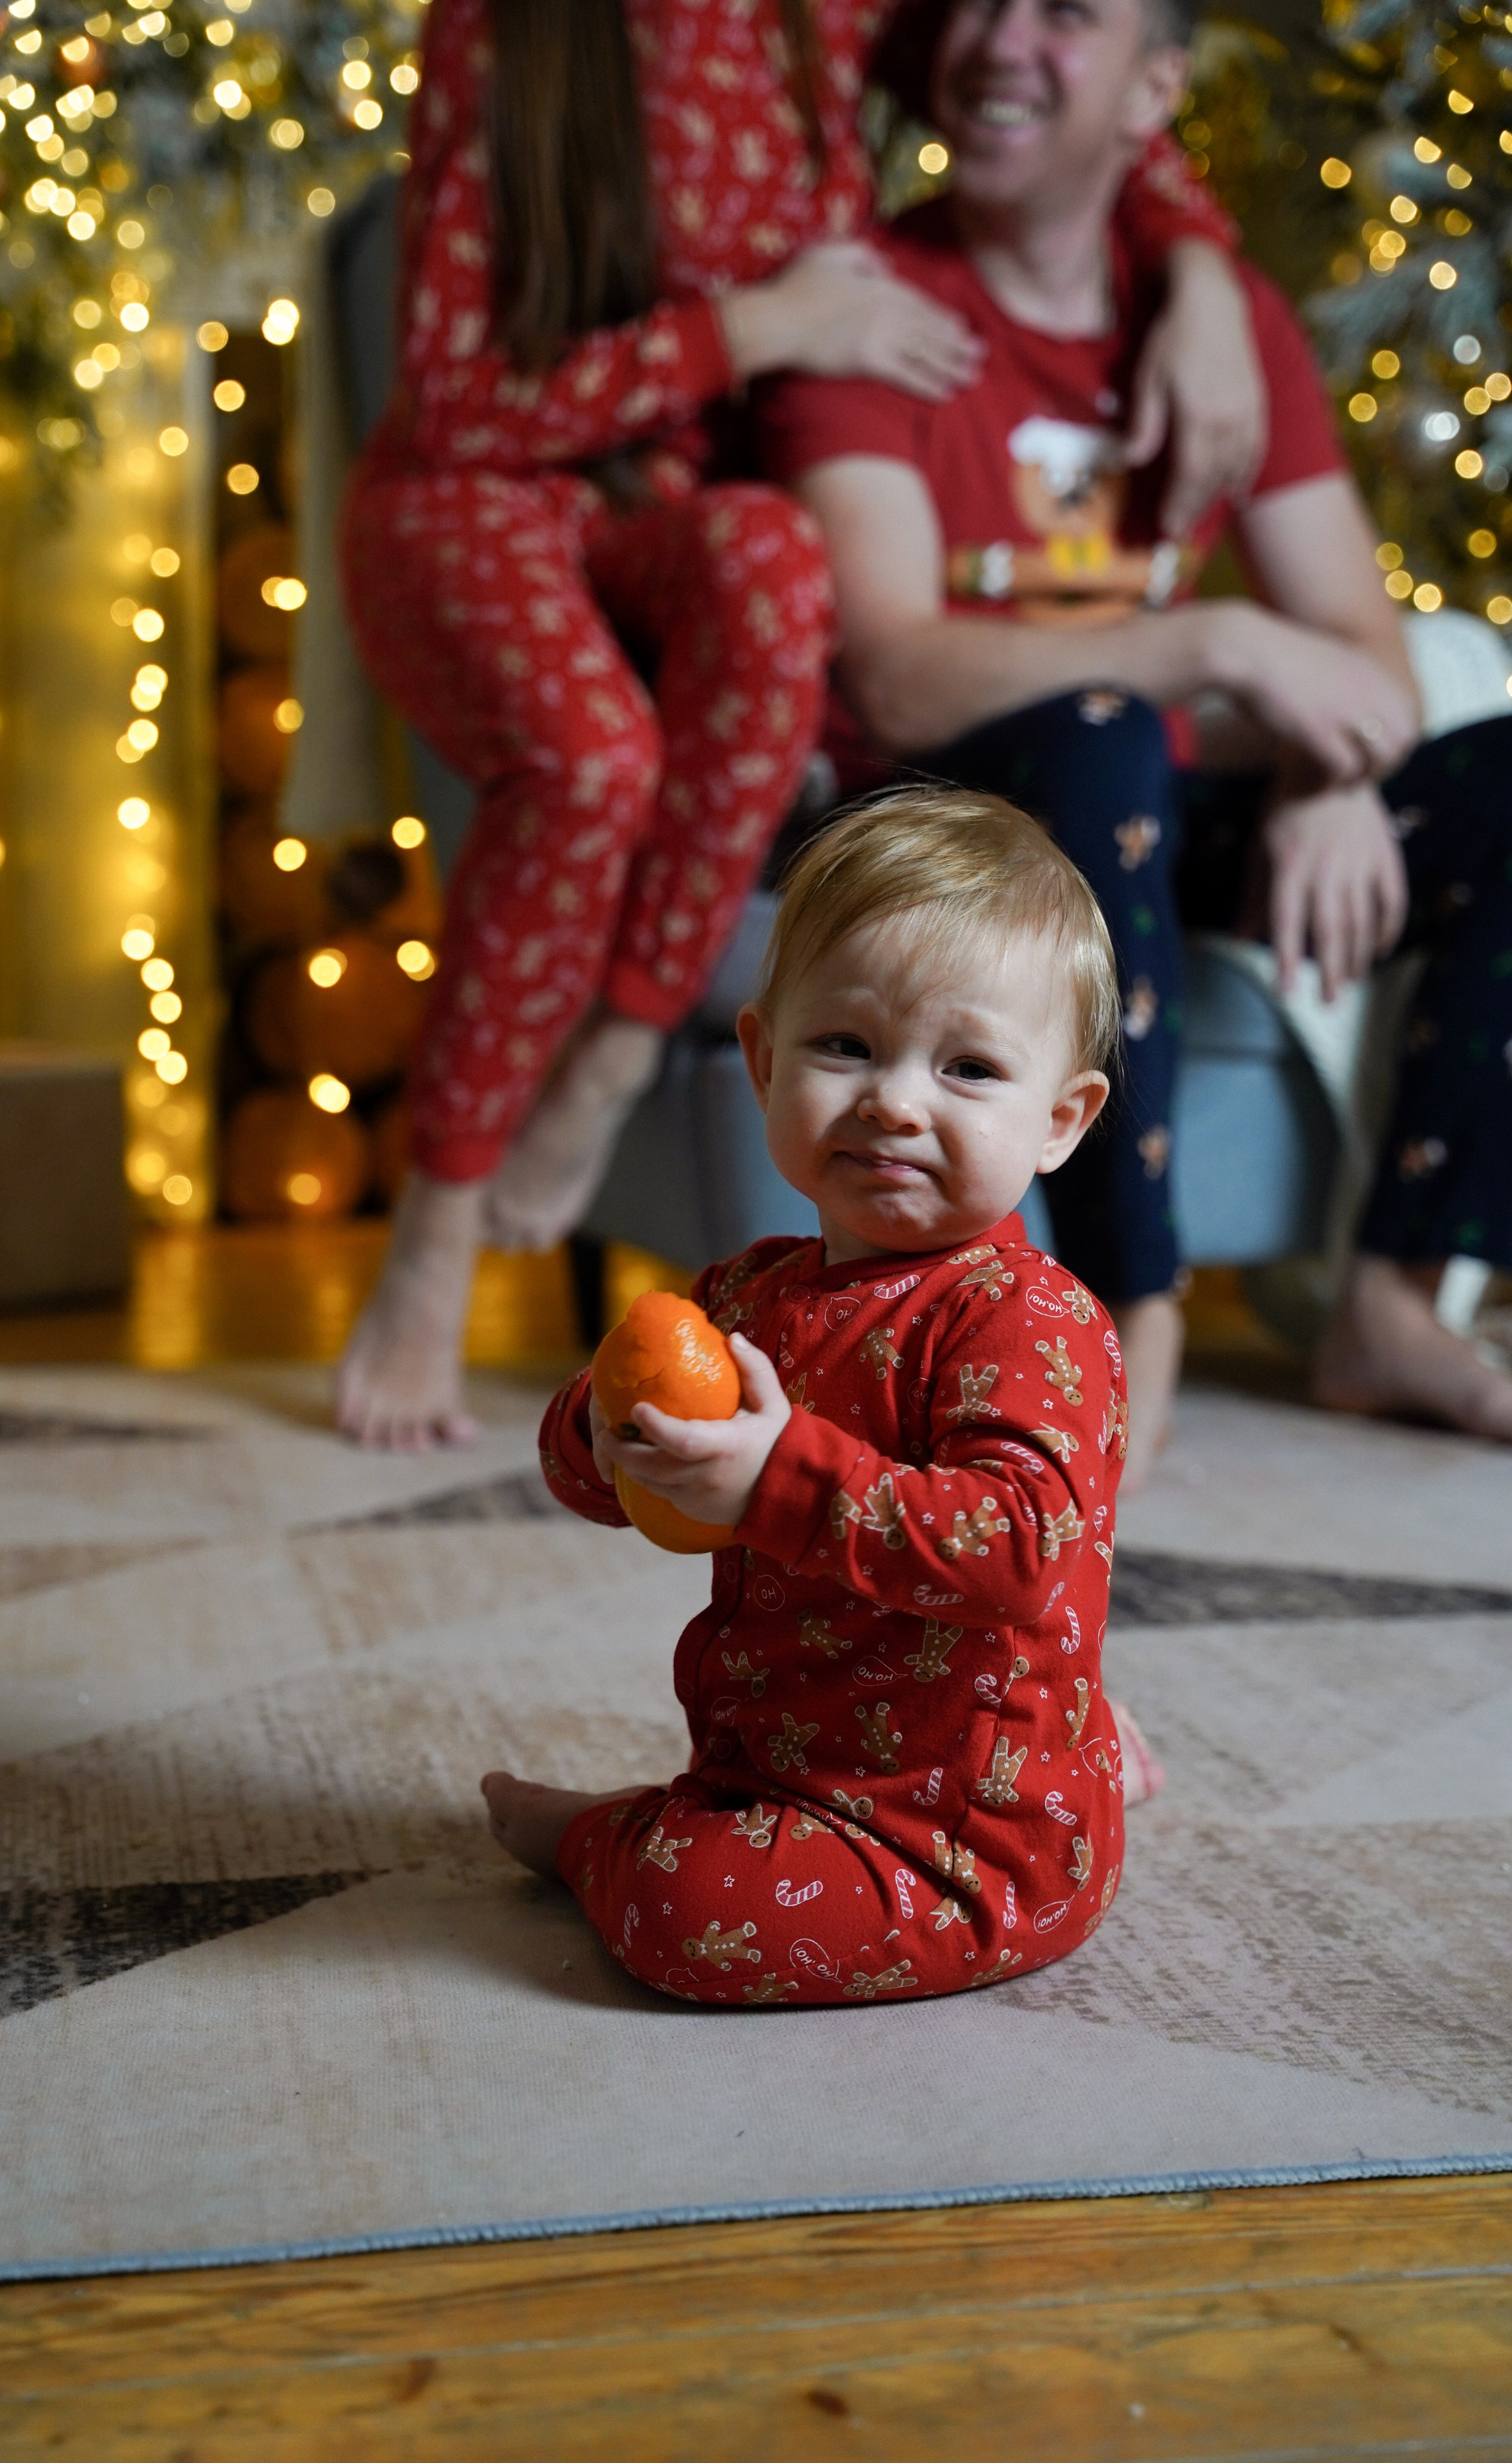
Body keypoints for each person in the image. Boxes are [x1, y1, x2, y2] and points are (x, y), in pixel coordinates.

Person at [333, 0, 1267, 1453]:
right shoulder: (505, 27)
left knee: (776, 561)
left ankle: (625, 1043)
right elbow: (454, 398)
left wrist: (1197, 263)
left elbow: (1034, 84)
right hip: (474, 491)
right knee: (591, 762)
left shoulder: (830, 15)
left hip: (676, 509)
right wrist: (757, 329)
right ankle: (438, 1226)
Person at [757, 0, 1512, 1473]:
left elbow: (1360, 659)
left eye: (1062, 15)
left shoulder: (1213, 330)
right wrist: (1216, 645)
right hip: (933, 832)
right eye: (976, 2)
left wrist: (1320, 771)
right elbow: (898, 679)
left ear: (1152, 87)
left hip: (1152, 796)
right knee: (1103, 745)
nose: (997, 42)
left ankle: (1394, 1300)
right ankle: (1128, 1315)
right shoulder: (872, 310)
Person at [483, 791, 1164, 2007]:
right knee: (722, 1845)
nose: (896, 1100)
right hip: (778, 1764)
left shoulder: (1030, 1319)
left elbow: (1017, 1552)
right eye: (845, 1047)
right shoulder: (744, 1295)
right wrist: (605, 1430)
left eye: (968, 1068)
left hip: (959, 1838)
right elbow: (592, 1481)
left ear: (1060, 1122)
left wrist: (776, 1480)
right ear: (762, 1060)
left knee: (685, 1914)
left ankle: (605, 1842)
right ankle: (692, 1814)